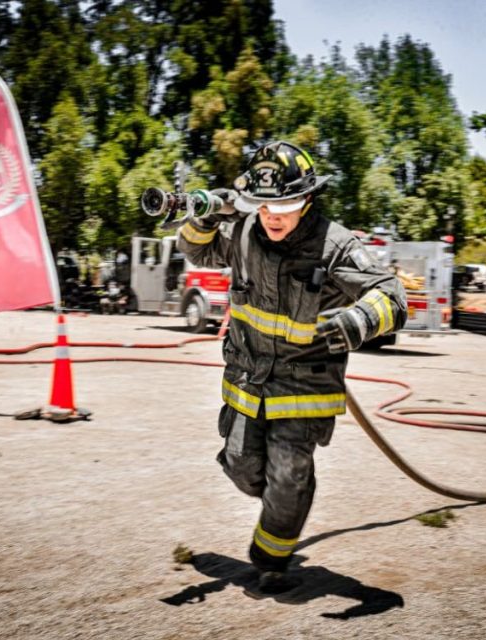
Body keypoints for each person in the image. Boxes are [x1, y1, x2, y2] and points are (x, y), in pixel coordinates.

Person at [176, 141, 407, 594]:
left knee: (287, 474)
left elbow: (391, 293)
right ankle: (289, 498)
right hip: (248, 381)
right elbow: (197, 252)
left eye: (285, 204)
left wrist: (355, 322)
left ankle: (271, 558)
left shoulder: (334, 244)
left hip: (304, 387)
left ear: (308, 199)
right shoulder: (242, 233)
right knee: (241, 466)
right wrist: (203, 215)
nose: (273, 215)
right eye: (264, 204)